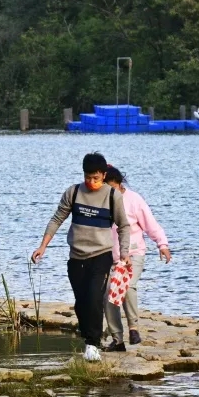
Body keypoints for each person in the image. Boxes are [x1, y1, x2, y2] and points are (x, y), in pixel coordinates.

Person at [32, 152, 131, 362]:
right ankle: (88, 336)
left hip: (101, 255)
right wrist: (43, 246)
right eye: (88, 177)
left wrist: (124, 253)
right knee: (81, 302)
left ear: (103, 175)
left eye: (96, 178)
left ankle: (92, 344)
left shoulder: (113, 196)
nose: (92, 182)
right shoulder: (74, 192)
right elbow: (57, 218)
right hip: (76, 257)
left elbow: (124, 226)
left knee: (95, 298)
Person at [101, 166, 171, 351]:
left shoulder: (134, 200)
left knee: (128, 285)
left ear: (119, 184)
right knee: (109, 293)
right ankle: (117, 340)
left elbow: (151, 224)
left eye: (112, 188)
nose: (110, 193)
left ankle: (133, 328)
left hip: (134, 253)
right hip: (111, 256)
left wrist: (162, 244)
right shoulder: (101, 200)